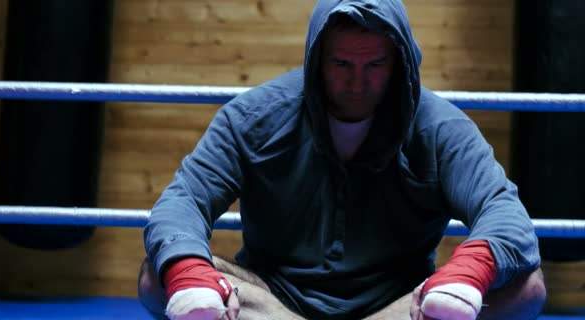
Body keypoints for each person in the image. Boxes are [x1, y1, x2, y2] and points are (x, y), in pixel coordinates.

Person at [139, 1, 546, 319]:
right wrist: (188, 272)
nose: (357, 82)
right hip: (273, 302)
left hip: (399, 307)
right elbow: (183, 202)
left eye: (375, 64)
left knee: (527, 289)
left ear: (398, 61)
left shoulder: (439, 128)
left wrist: (466, 273)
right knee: (156, 277)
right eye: (341, 64)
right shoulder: (253, 119)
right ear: (317, 60)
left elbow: (503, 212)